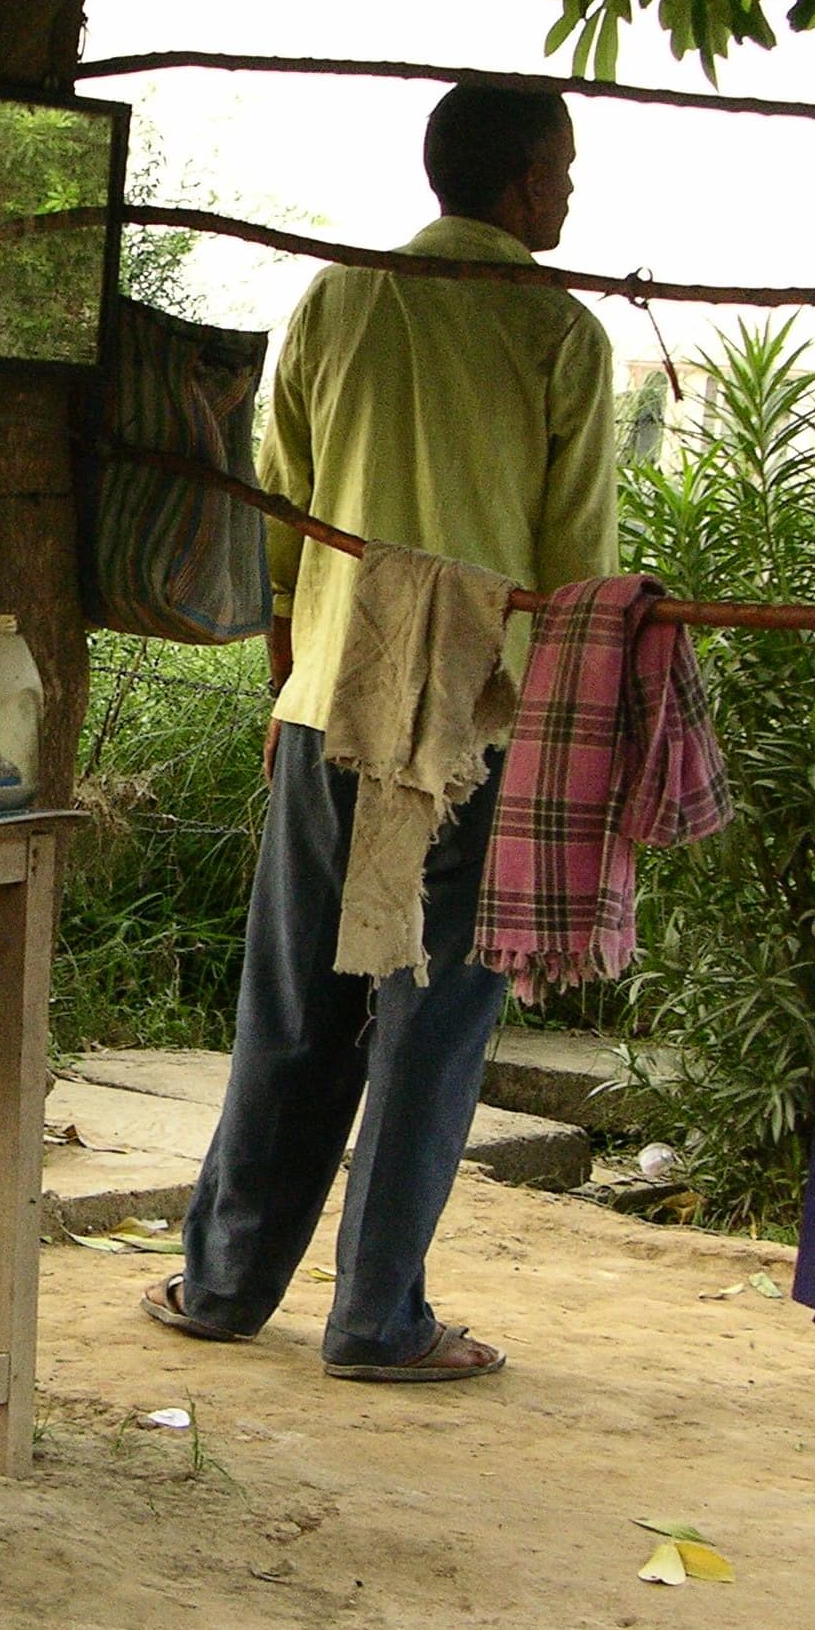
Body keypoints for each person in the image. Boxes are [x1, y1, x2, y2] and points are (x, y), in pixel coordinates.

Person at [143, 86, 616, 1383]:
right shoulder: (558, 333)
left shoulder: (337, 302)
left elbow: (279, 529)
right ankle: (376, 1319)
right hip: (476, 726)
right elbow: (573, 583)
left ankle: (225, 1286)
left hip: (327, 713)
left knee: (295, 1001)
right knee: (432, 1020)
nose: (570, 192)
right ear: (522, 187)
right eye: (563, 169)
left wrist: (282, 688)